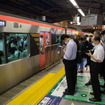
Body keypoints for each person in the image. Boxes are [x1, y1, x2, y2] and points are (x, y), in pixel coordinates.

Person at [86, 36, 104, 102]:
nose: (92, 42)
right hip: (94, 64)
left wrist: (91, 55)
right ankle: (96, 92)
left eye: (93, 41)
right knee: (94, 80)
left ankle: (97, 97)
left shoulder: (100, 48)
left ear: (97, 41)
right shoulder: (97, 47)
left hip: (96, 65)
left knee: (95, 80)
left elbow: (99, 60)